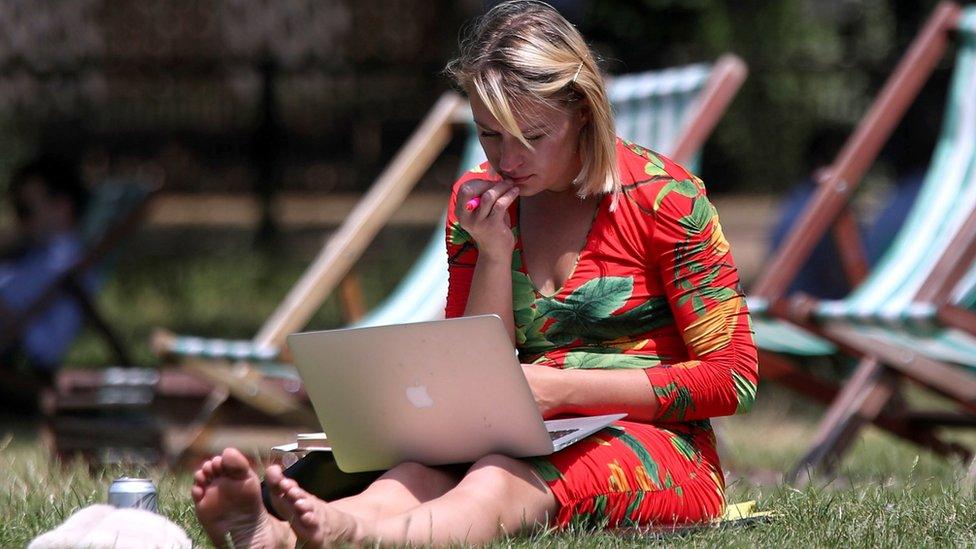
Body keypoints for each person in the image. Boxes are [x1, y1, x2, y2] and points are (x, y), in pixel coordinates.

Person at [191, 1, 759, 546]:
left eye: (533, 136)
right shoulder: (479, 201)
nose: (507, 159)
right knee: (410, 473)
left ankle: (352, 536)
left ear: (583, 111)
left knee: (493, 478)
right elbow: (473, 364)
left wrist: (564, 390)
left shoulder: (665, 200)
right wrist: (492, 251)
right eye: (489, 134)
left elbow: (732, 378)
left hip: (662, 449)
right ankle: (286, 534)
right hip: (524, 432)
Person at [0, 155, 91, 397]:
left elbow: (9, 304)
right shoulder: (41, 254)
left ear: (62, 207)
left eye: (26, 210)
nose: (21, 221)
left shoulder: (64, 259)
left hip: (19, 356)